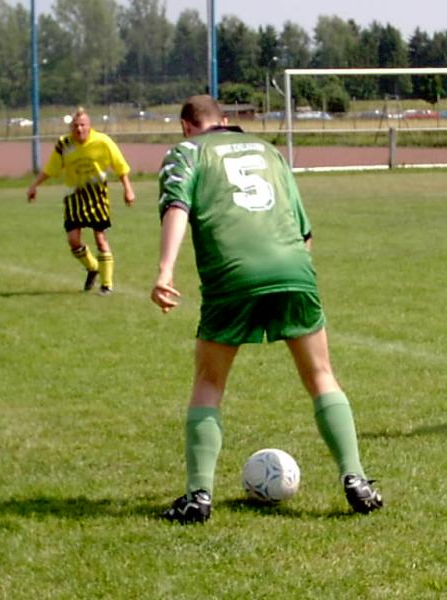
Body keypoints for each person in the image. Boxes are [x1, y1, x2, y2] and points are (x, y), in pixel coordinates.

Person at [150, 94, 383, 524]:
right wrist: (299, 277)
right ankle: (356, 478)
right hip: (293, 267)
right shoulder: (268, 150)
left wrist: (165, 271)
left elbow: (177, 207)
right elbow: (304, 229)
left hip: (232, 274)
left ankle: (198, 496)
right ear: (225, 121)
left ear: (186, 126)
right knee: (321, 375)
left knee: (209, 382)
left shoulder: (185, 152)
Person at [27, 107, 135, 295]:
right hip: (74, 197)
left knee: (100, 239)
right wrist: (34, 186)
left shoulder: (103, 142)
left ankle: (106, 285)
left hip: (97, 196)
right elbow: (51, 168)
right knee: (73, 240)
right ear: (71, 128)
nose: (79, 129)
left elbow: (120, 166)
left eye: (83, 125)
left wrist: (128, 189)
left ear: (89, 126)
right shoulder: (64, 144)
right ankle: (93, 267)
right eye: (75, 126)